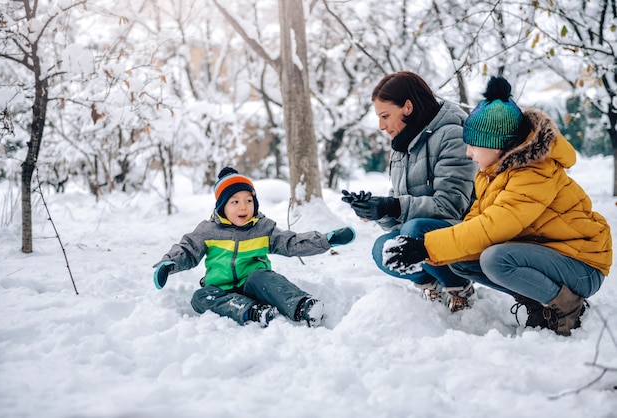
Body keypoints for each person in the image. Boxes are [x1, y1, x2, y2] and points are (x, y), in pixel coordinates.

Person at [383, 76, 612, 336]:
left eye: (473, 145)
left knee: (495, 259)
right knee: (461, 261)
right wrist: (432, 250)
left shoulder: (533, 173)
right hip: (548, 253)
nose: (468, 153)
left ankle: (569, 306)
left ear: (497, 145)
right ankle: (539, 303)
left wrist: (426, 246)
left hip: (581, 265)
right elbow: (475, 222)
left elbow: (492, 227)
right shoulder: (494, 173)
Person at [153, 167, 355, 328]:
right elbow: (187, 250)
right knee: (200, 298)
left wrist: (325, 240)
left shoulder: (262, 228)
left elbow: (291, 242)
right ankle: (254, 312)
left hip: (255, 285)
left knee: (262, 276)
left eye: (249, 200)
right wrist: (168, 264)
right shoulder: (208, 231)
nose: (243, 207)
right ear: (222, 207)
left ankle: (302, 305)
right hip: (221, 291)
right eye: (235, 202)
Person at [342, 71, 477, 311]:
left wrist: (393, 206)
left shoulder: (453, 135)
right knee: (382, 249)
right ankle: (433, 285)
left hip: (462, 234)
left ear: (407, 107)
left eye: (385, 116)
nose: (381, 126)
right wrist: (378, 209)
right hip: (420, 235)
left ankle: (458, 287)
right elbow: (400, 209)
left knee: (414, 230)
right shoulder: (402, 145)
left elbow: (450, 206)